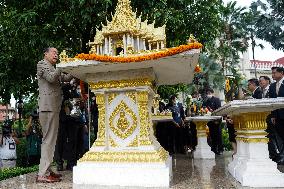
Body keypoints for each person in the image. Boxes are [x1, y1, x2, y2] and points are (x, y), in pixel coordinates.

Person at [37, 47, 72, 183]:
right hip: (47, 107)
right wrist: (62, 66)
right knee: (48, 140)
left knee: (51, 140)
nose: (56, 55)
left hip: (53, 107)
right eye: (54, 52)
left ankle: (47, 169)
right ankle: (42, 174)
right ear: (45, 54)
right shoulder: (42, 64)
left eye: (57, 53)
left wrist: (74, 67)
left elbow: (66, 78)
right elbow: (51, 78)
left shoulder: (53, 67)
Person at [268, 67, 284, 165]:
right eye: (272, 73)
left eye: (274, 73)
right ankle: (282, 156)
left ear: (281, 73)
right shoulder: (272, 86)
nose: (272, 75)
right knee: (280, 137)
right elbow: (271, 102)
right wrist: (273, 115)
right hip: (277, 116)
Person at [202, 88, 223, 155]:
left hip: (216, 120)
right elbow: (203, 108)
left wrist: (217, 119)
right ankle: (213, 149)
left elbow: (219, 110)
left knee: (218, 135)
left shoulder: (217, 100)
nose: (208, 94)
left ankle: (220, 149)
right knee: (212, 135)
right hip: (210, 121)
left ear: (212, 93)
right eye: (207, 93)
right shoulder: (206, 101)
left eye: (209, 93)